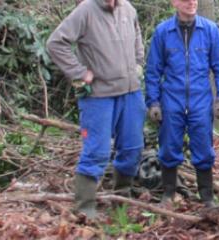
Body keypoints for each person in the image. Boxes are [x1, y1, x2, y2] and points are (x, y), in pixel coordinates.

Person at [46, 0, 144, 220]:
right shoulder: (86, 10)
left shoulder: (128, 9)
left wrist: (138, 63)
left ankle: (121, 199)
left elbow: (138, 39)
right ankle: (85, 209)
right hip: (98, 96)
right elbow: (55, 43)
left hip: (131, 92)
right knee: (96, 152)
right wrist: (79, 72)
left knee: (132, 148)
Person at [145, 0, 219, 208]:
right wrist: (154, 102)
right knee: (168, 146)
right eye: (185, 0)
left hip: (200, 99)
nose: (191, 2)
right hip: (171, 99)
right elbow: (153, 70)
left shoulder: (209, 30)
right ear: (175, 3)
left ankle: (207, 197)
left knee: (203, 147)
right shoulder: (163, 32)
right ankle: (168, 193)